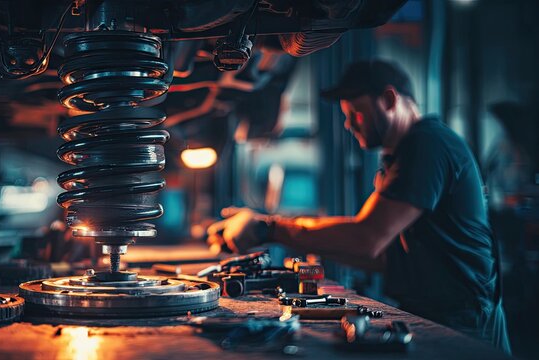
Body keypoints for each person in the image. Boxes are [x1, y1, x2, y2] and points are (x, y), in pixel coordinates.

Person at [207, 59, 511, 353]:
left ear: (389, 99)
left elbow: (366, 239)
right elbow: (378, 254)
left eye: (356, 112)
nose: (348, 123)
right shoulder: (399, 158)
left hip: (465, 320)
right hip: (438, 311)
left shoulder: (427, 146)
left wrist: (267, 228)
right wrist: (274, 229)